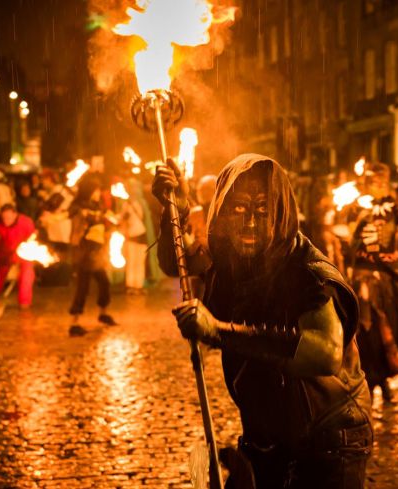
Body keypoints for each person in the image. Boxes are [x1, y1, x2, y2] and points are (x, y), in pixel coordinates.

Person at [154, 155, 373, 488]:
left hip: (327, 435)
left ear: (281, 214)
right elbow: (178, 264)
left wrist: (220, 331)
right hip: (271, 433)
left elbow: (326, 353)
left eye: (262, 211)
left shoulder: (305, 271)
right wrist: (176, 209)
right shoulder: (231, 255)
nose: (250, 224)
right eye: (239, 210)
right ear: (222, 212)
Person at [345, 162, 398, 402]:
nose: (379, 186)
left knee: (391, 327)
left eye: (383, 182)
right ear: (367, 183)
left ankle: (385, 378)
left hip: (387, 276)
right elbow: (349, 237)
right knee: (367, 330)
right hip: (364, 275)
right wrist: (360, 220)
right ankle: (370, 378)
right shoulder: (356, 207)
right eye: (375, 182)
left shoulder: (396, 207)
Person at [67, 177, 117, 335]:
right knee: (83, 286)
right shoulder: (78, 207)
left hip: (97, 250)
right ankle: (74, 323)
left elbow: (106, 221)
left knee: (104, 282)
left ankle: (103, 313)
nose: (98, 193)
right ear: (88, 191)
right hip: (84, 250)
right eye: (95, 190)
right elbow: (76, 216)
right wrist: (94, 216)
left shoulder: (98, 205)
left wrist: (110, 220)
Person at [0, 203, 36, 308]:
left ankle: (24, 302)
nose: (6, 221)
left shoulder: (26, 222)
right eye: (4, 218)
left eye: (9, 218)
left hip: (24, 253)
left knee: (27, 275)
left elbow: (32, 237)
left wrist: (25, 251)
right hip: (5, 253)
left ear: (15, 214)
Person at [119, 179, 149, 294]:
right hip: (132, 235)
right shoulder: (128, 204)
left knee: (138, 261)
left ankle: (137, 285)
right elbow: (123, 219)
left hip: (139, 235)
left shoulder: (138, 204)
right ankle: (131, 285)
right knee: (132, 261)